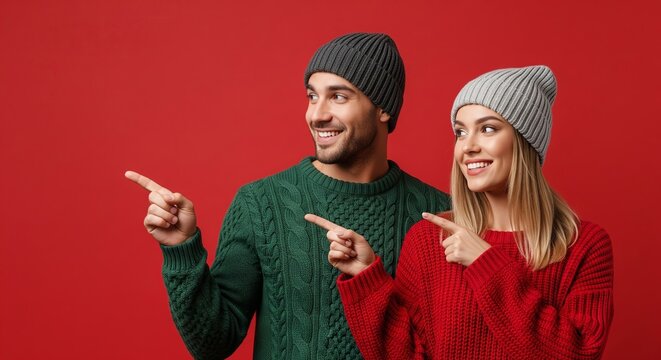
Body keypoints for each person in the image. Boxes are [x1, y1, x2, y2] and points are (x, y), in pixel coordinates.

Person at [125, 32, 451, 359]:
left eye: (338, 97)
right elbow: (211, 344)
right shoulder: (261, 203)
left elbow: (447, 346)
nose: (317, 114)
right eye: (312, 96)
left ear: (382, 108)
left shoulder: (438, 214)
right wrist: (180, 248)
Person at [306, 65, 614, 359]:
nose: (468, 146)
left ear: (526, 142)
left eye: (488, 129)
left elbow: (577, 353)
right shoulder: (429, 240)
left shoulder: (583, 245)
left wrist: (486, 263)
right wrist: (366, 275)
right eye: (461, 132)